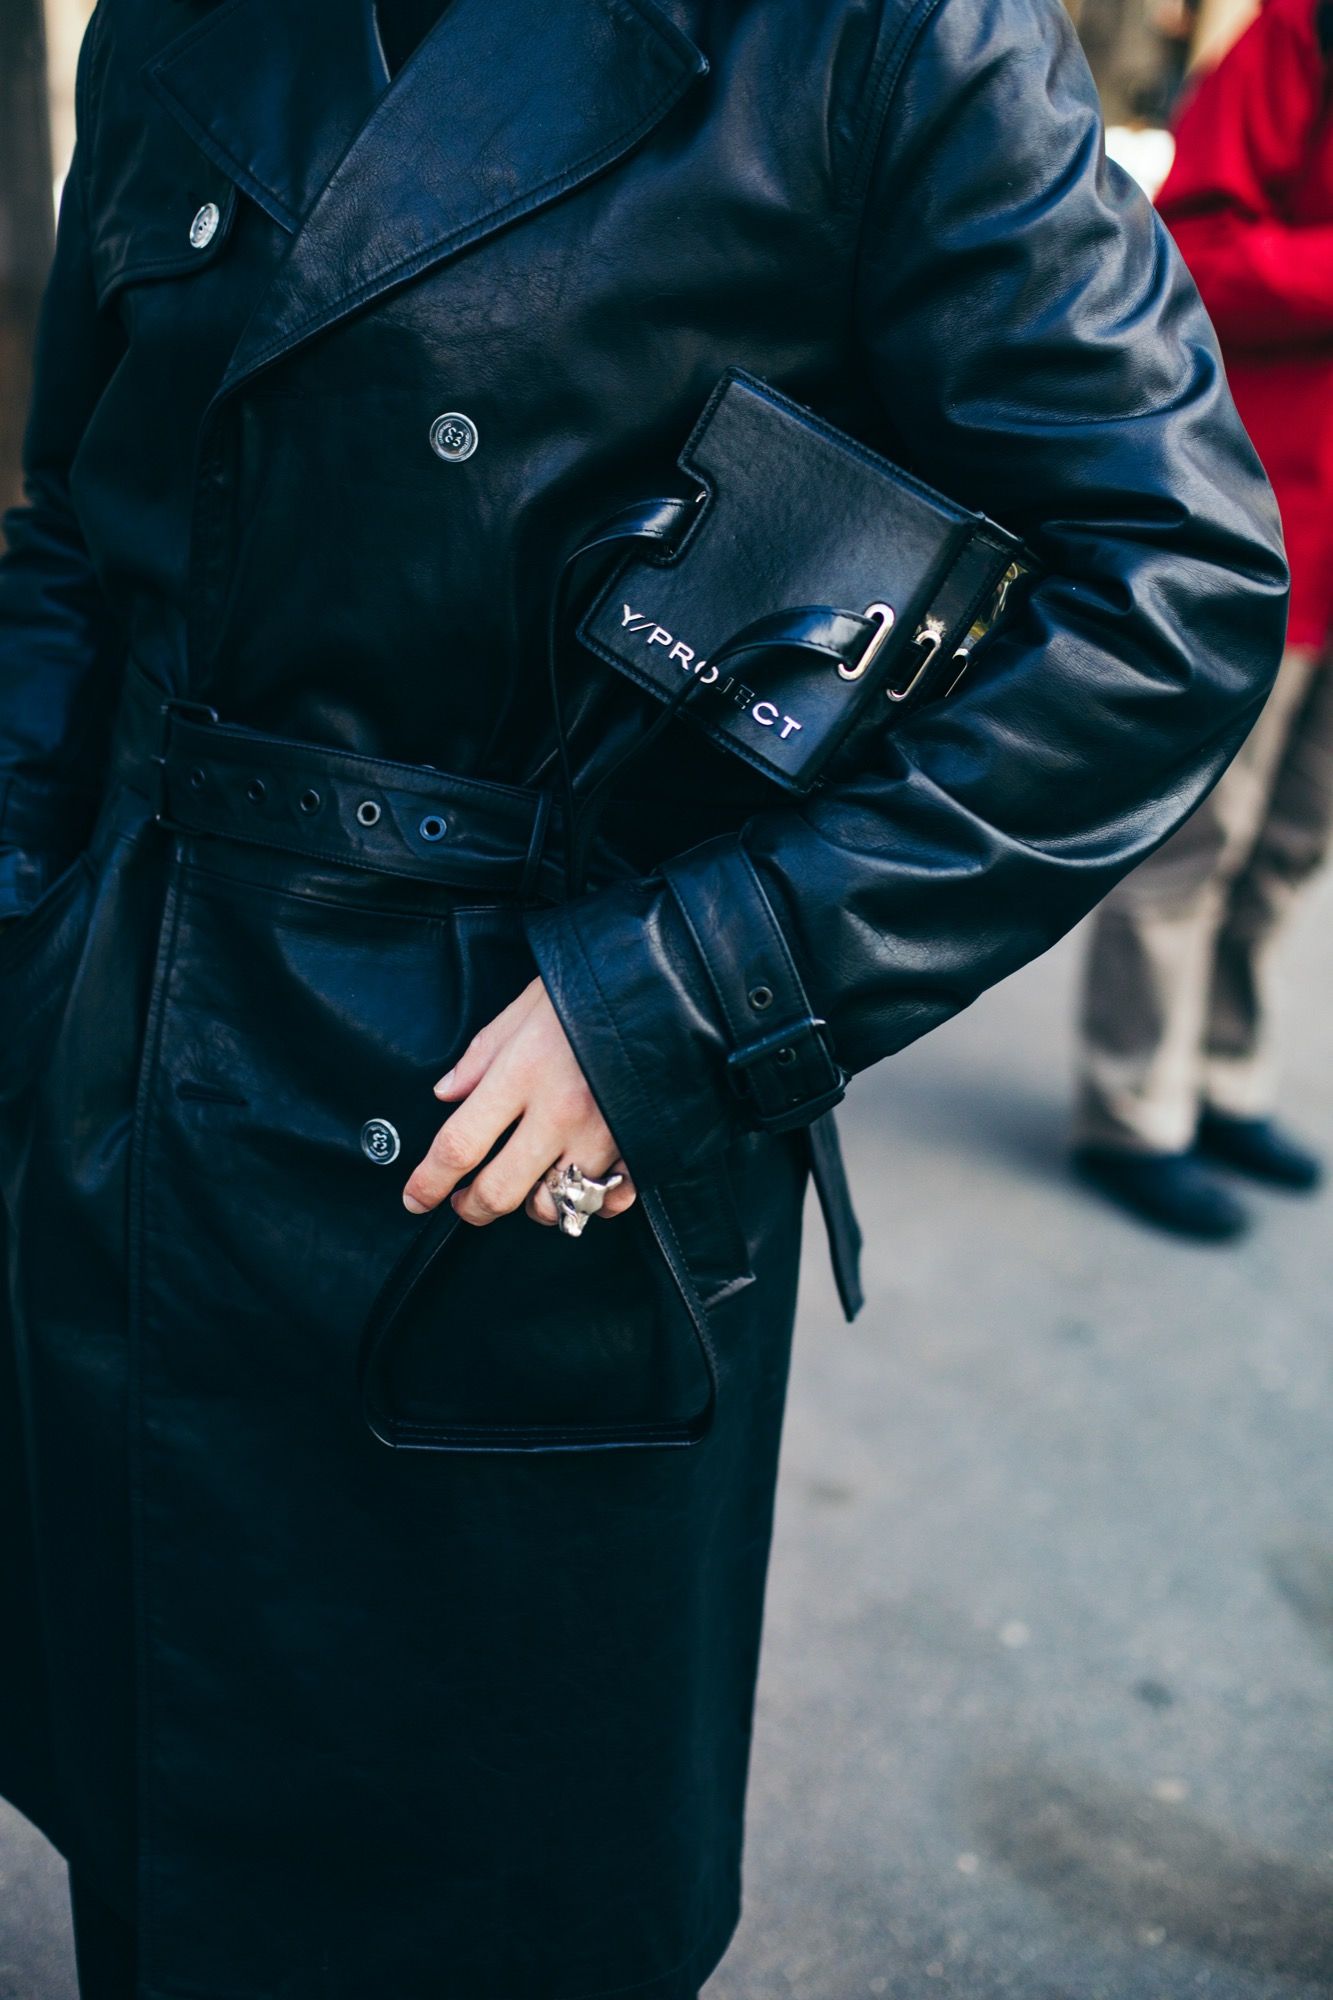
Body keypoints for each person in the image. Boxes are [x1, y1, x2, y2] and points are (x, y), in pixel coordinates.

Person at [0, 0, 1285, 1995]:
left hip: (524, 1128)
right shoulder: (184, 17)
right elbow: (80, 537)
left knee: (481, 1898)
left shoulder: (879, 35)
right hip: (134, 1095)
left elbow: (1170, 588)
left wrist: (685, 997)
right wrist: (21, 934)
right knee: (173, 1876)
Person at [1075, 0, 1333, 1239]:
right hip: (1276, 519)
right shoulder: (1300, 35)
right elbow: (1197, 253)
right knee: (1196, 839)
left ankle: (1219, 1076)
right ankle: (1133, 1109)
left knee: (1293, 840)